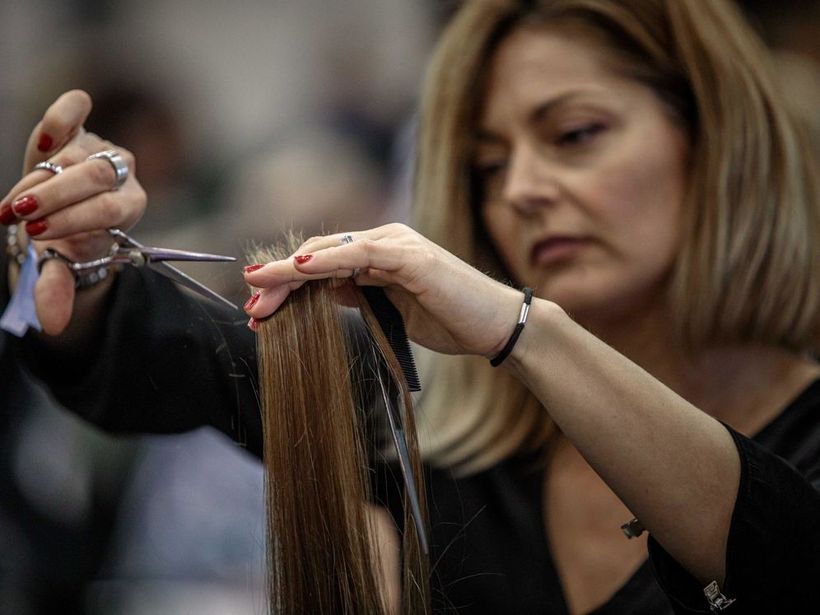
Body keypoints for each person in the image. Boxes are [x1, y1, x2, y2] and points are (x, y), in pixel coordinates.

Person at [2, 0, 818, 612]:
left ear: (713, 139)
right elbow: (170, 349)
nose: (523, 191)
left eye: (575, 134)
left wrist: (524, 330)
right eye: (488, 166)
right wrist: (84, 262)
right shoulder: (420, 414)